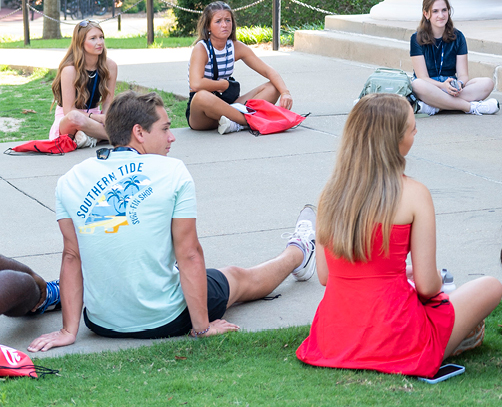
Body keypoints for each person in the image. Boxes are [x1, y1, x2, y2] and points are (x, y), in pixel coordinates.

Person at [27, 91, 317, 351]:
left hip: (102, 323)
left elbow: (71, 256)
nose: (172, 136)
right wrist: (203, 327)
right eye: (165, 129)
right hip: (165, 319)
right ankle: (299, 252)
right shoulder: (172, 171)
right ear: (138, 132)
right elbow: (189, 253)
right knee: (237, 277)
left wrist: (68, 330)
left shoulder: (69, 180)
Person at [297, 94, 502, 375]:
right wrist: (419, 279)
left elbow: (325, 276)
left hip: (333, 337)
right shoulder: (415, 194)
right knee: (490, 286)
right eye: (411, 127)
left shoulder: (329, 196)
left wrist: (397, 273)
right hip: (396, 336)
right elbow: (429, 287)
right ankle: (451, 342)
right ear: (394, 141)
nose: (416, 132)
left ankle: (454, 339)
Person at [186, 1, 294, 135]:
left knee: (273, 87)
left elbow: (267, 70)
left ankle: (235, 123)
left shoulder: (235, 47)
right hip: (204, 113)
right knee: (201, 96)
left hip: (230, 105)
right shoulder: (201, 48)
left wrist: (285, 92)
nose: (224, 25)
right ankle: (248, 122)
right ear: (208, 26)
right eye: (218, 21)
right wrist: (223, 85)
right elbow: (196, 84)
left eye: (228, 20)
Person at [408, 0, 498, 116]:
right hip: (429, 86)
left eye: (444, 10)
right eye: (435, 11)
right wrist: (442, 86)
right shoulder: (416, 38)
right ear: (426, 14)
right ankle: (471, 107)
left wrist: (459, 84)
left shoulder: (458, 37)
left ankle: (435, 106)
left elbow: (463, 75)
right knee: (417, 84)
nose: (441, 15)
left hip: (452, 87)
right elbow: (422, 77)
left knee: (487, 83)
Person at [49, 20, 118, 149]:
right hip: (70, 120)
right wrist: (97, 118)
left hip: (97, 119)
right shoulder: (70, 70)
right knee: (75, 117)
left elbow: (108, 102)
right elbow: (68, 110)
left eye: (101, 37)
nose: (99, 42)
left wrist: (106, 119)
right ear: (81, 42)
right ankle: (114, 136)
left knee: (126, 114)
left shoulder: (110, 66)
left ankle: (89, 137)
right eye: (93, 38)